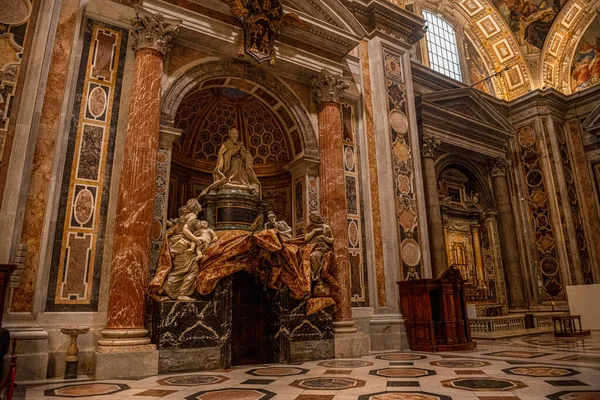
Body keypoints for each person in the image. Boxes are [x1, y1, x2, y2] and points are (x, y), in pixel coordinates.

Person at [201, 128, 261, 196]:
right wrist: (235, 150)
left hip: (241, 169)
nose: (234, 136)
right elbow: (224, 156)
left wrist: (244, 153)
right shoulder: (225, 145)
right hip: (230, 166)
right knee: (235, 162)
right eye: (233, 134)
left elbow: (246, 158)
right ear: (229, 135)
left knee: (239, 162)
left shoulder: (240, 145)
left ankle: (241, 182)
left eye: (236, 134)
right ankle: (230, 179)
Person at [304, 211, 334, 282]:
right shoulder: (311, 227)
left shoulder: (326, 227)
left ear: (318, 217)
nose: (313, 219)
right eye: (312, 218)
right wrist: (314, 231)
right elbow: (306, 238)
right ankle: (305, 278)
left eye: (314, 217)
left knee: (312, 256)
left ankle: (315, 277)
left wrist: (324, 237)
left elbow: (331, 240)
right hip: (309, 246)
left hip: (320, 248)